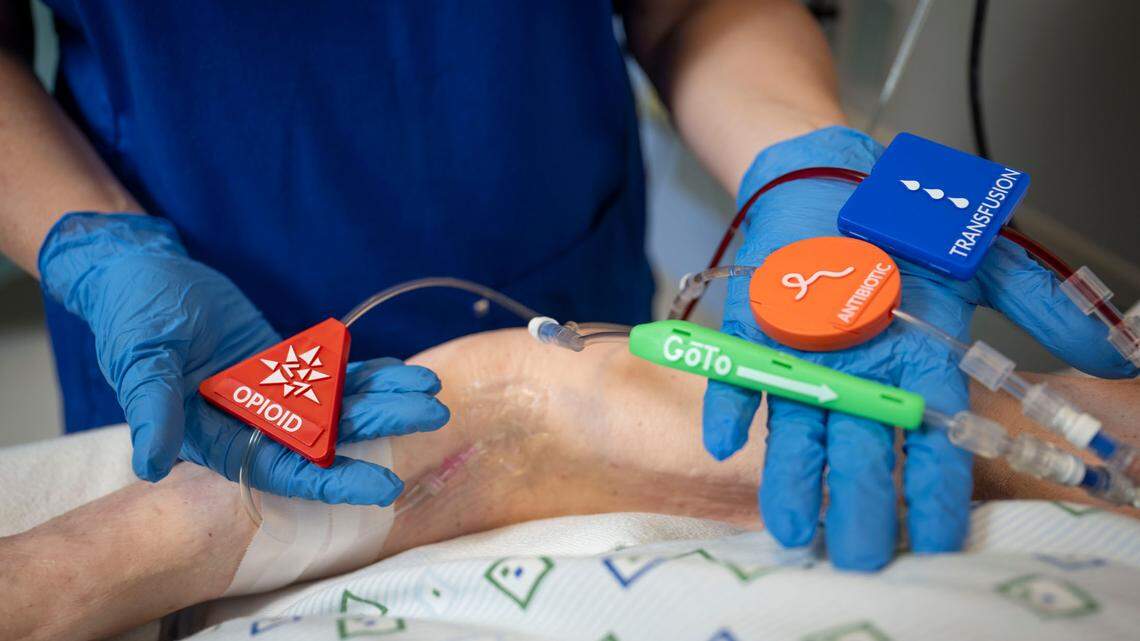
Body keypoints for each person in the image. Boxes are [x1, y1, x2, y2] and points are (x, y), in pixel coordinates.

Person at [0, 0, 1134, 572]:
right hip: (191, 354)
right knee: (178, 524)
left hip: (564, 298)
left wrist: (812, 161)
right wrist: (90, 244)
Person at [1, 327, 1138, 641]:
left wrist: (815, 159)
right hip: (177, 271)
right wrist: (77, 227)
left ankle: (526, 407)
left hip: (544, 275)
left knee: (485, 408)